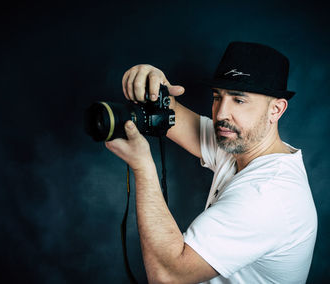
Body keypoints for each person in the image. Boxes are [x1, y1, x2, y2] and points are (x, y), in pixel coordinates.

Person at [105, 42, 318, 284]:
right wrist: (152, 81)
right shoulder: (240, 144)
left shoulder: (268, 195)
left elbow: (167, 276)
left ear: (276, 110)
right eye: (217, 97)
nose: (221, 114)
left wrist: (142, 166)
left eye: (238, 100)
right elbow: (169, 113)